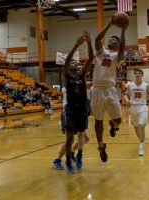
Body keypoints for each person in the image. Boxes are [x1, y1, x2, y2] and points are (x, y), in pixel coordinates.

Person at [54, 30, 93, 174]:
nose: (74, 62)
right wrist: (76, 46)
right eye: (71, 62)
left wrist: (89, 43)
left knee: (83, 135)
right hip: (70, 109)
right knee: (70, 136)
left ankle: (78, 155)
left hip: (81, 109)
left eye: (76, 62)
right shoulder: (66, 76)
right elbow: (67, 60)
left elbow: (90, 59)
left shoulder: (82, 75)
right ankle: (67, 159)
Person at [90, 17, 129, 162]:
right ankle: (101, 146)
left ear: (118, 45)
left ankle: (113, 125)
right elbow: (96, 39)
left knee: (118, 119)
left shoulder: (118, 56)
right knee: (98, 120)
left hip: (110, 90)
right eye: (111, 38)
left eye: (116, 39)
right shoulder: (101, 51)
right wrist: (110, 24)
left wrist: (124, 30)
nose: (112, 39)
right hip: (96, 90)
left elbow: (123, 46)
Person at [124, 69, 149, 156]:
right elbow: (125, 95)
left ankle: (141, 146)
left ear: (142, 75)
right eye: (135, 73)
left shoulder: (145, 85)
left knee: (142, 126)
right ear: (134, 75)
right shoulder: (130, 85)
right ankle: (142, 141)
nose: (137, 74)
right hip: (133, 108)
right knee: (136, 127)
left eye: (139, 73)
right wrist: (127, 100)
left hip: (143, 107)